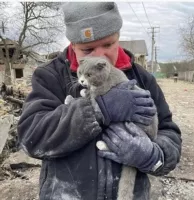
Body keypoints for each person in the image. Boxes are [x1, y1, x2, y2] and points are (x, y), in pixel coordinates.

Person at [17, 2, 182, 200]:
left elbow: (169, 133)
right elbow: (30, 137)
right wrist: (97, 108)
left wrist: (153, 156)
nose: (99, 56)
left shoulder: (142, 78)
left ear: (118, 37)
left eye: (108, 44)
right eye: (87, 49)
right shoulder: (50, 76)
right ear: (73, 45)